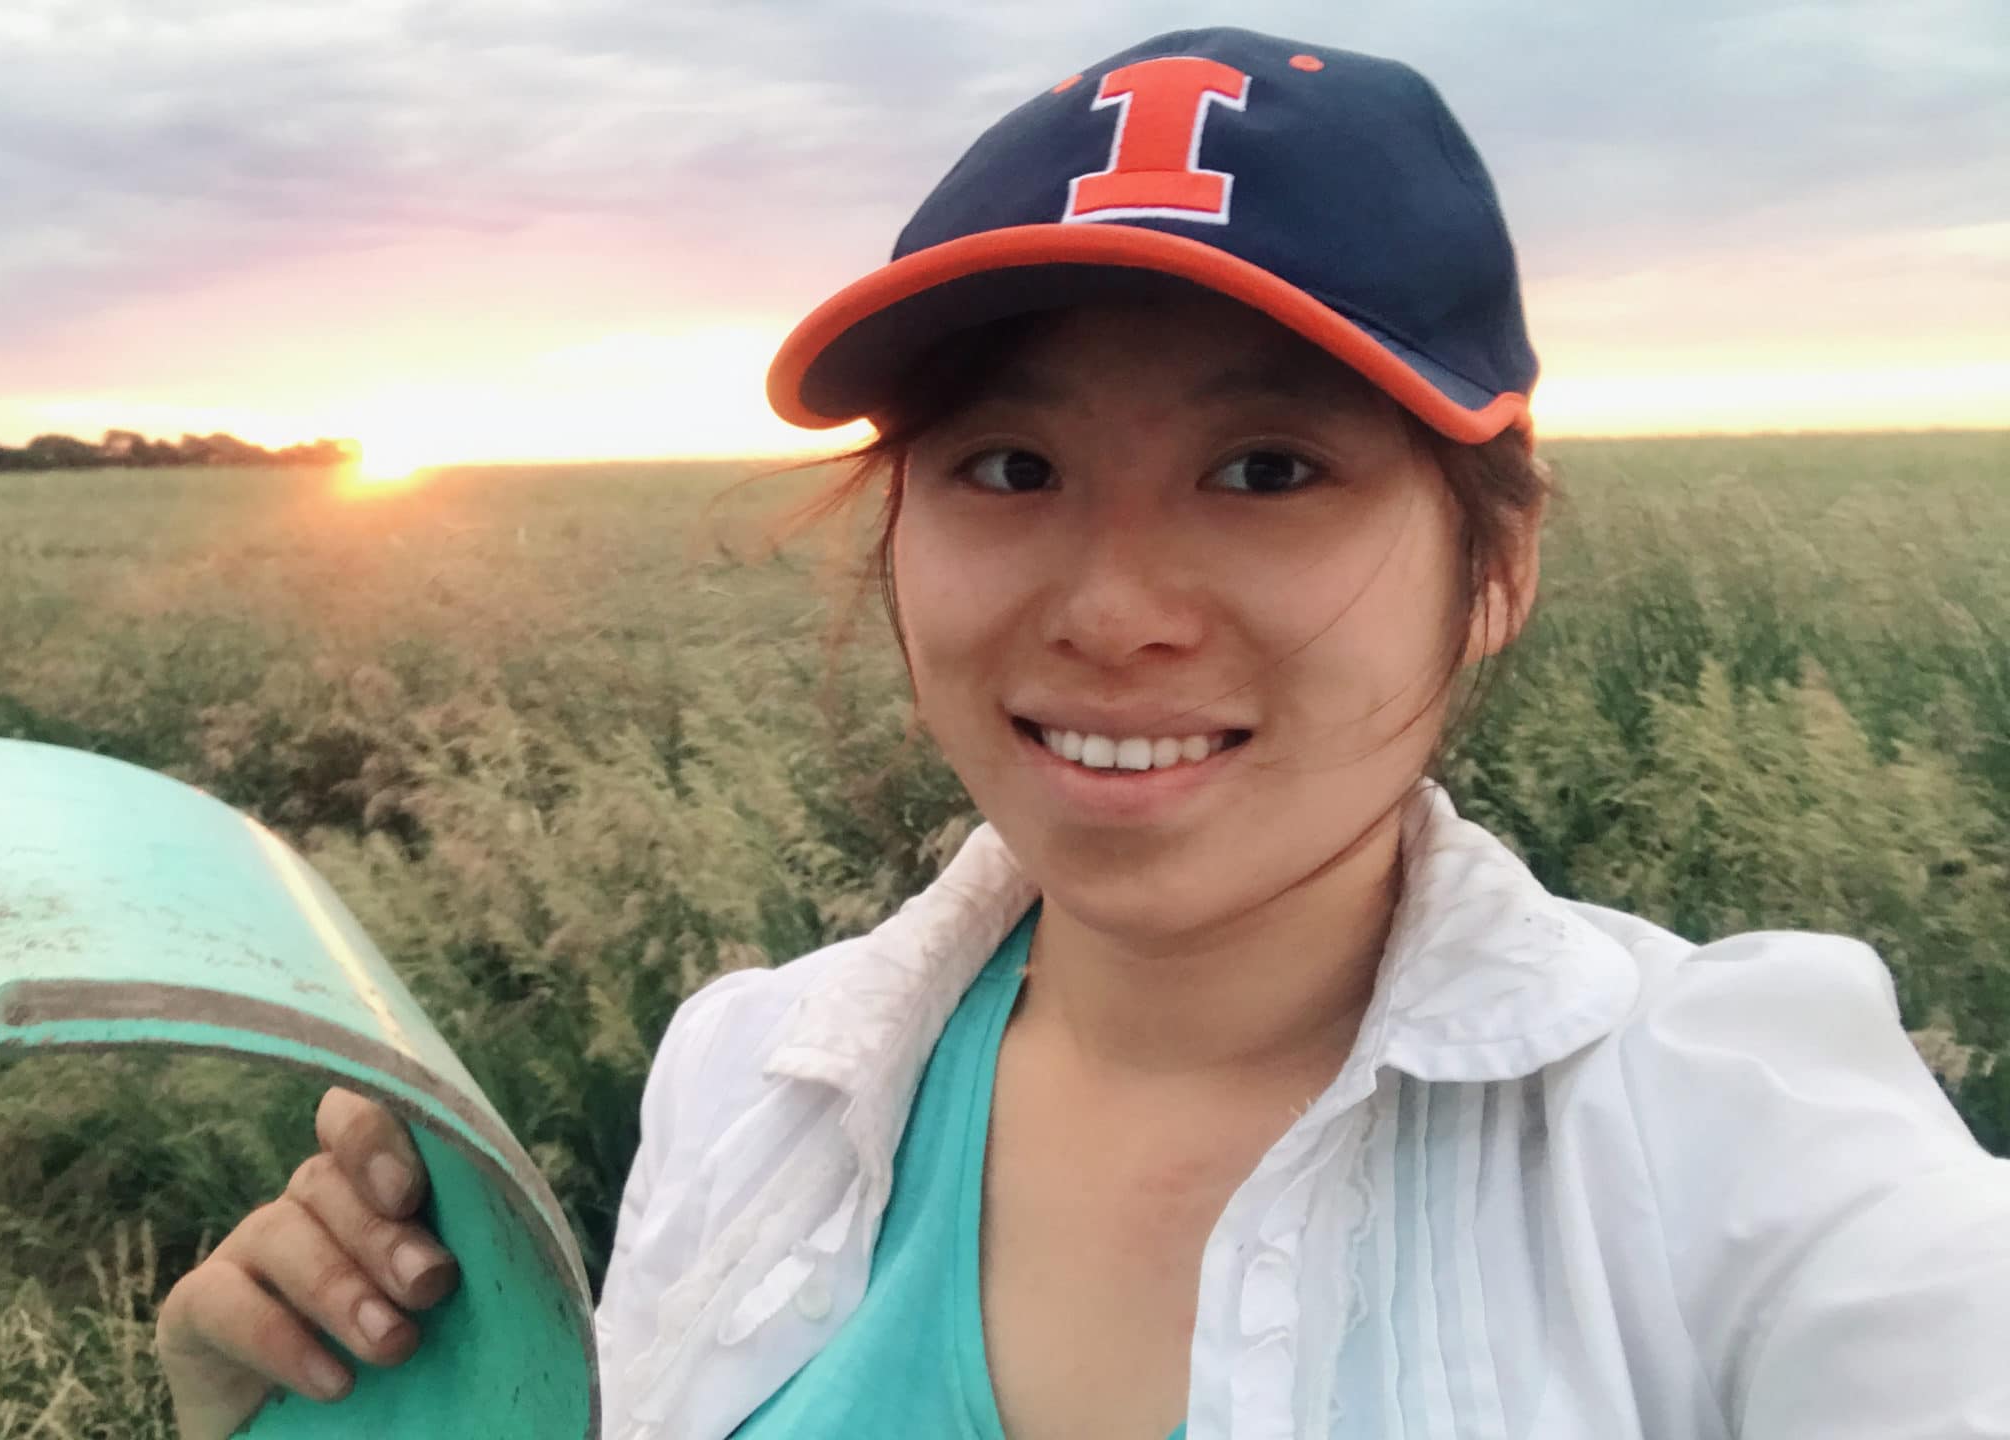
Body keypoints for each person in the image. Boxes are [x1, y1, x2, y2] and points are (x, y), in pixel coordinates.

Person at [154, 26, 2010, 1440]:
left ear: (1493, 568)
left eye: (1267, 468)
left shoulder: (1742, 1148)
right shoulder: (749, 1089)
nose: (1113, 606)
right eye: (1009, 466)